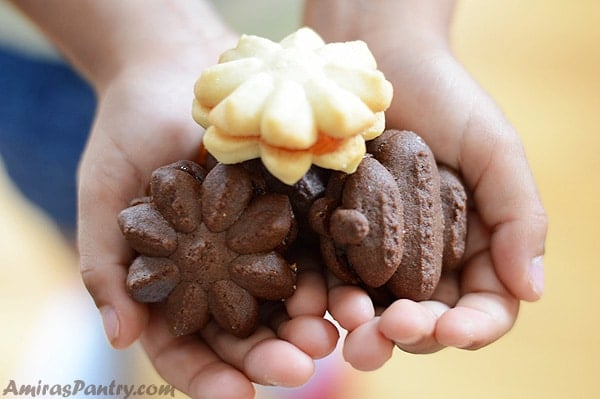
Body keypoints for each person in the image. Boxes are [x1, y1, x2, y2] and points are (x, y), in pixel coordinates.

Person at [5, 1, 547, 398]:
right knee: (86, 227)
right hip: (58, 45)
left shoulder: (363, 157)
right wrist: (138, 42)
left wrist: (388, 23)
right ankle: (97, 311)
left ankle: (307, 364)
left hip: (311, 44)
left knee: (296, 338)